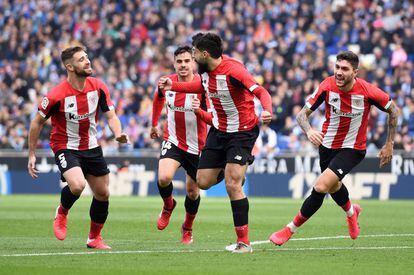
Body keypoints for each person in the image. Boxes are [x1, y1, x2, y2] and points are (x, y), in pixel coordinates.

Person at [269, 51, 399, 246]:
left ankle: (289, 230)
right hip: (326, 146)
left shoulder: (368, 91)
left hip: (352, 148)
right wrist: (309, 130)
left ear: (355, 72)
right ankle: (351, 212)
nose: (339, 72)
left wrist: (389, 143)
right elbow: (301, 116)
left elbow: (393, 110)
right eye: (337, 67)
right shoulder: (327, 85)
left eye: (344, 69)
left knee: (321, 186)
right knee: (334, 185)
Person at [159, 32, 273, 253]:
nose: (191, 60)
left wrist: (267, 109)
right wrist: (171, 86)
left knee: (233, 185)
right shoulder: (205, 73)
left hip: (242, 132)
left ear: (204, 54)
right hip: (218, 131)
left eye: (193, 54)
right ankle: (234, 167)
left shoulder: (235, 70)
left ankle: (244, 242)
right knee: (202, 182)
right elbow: (198, 88)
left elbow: (260, 91)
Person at [27, 46, 129, 250]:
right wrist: (32, 153)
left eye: (87, 57)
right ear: (70, 67)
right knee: (77, 185)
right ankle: (62, 212)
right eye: (82, 59)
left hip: (91, 146)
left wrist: (118, 133)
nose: (88, 61)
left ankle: (94, 238)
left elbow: (111, 115)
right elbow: (36, 123)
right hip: (65, 146)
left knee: (103, 194)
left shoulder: (98, 87)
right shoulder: (56, 95)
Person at [151, 45, 215, 244]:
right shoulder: (166, 83)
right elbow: (157, 99)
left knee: (193, 191)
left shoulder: (203, 86)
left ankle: (187, 227)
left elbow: (214, 119)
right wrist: (154, 123)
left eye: (187, 61)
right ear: (174, 63)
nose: (183, 65)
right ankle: (168, 205)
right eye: (179, 62)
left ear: (194, 62)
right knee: (164, 177)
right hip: (174, 140)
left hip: (198, 146)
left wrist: (199, 112)